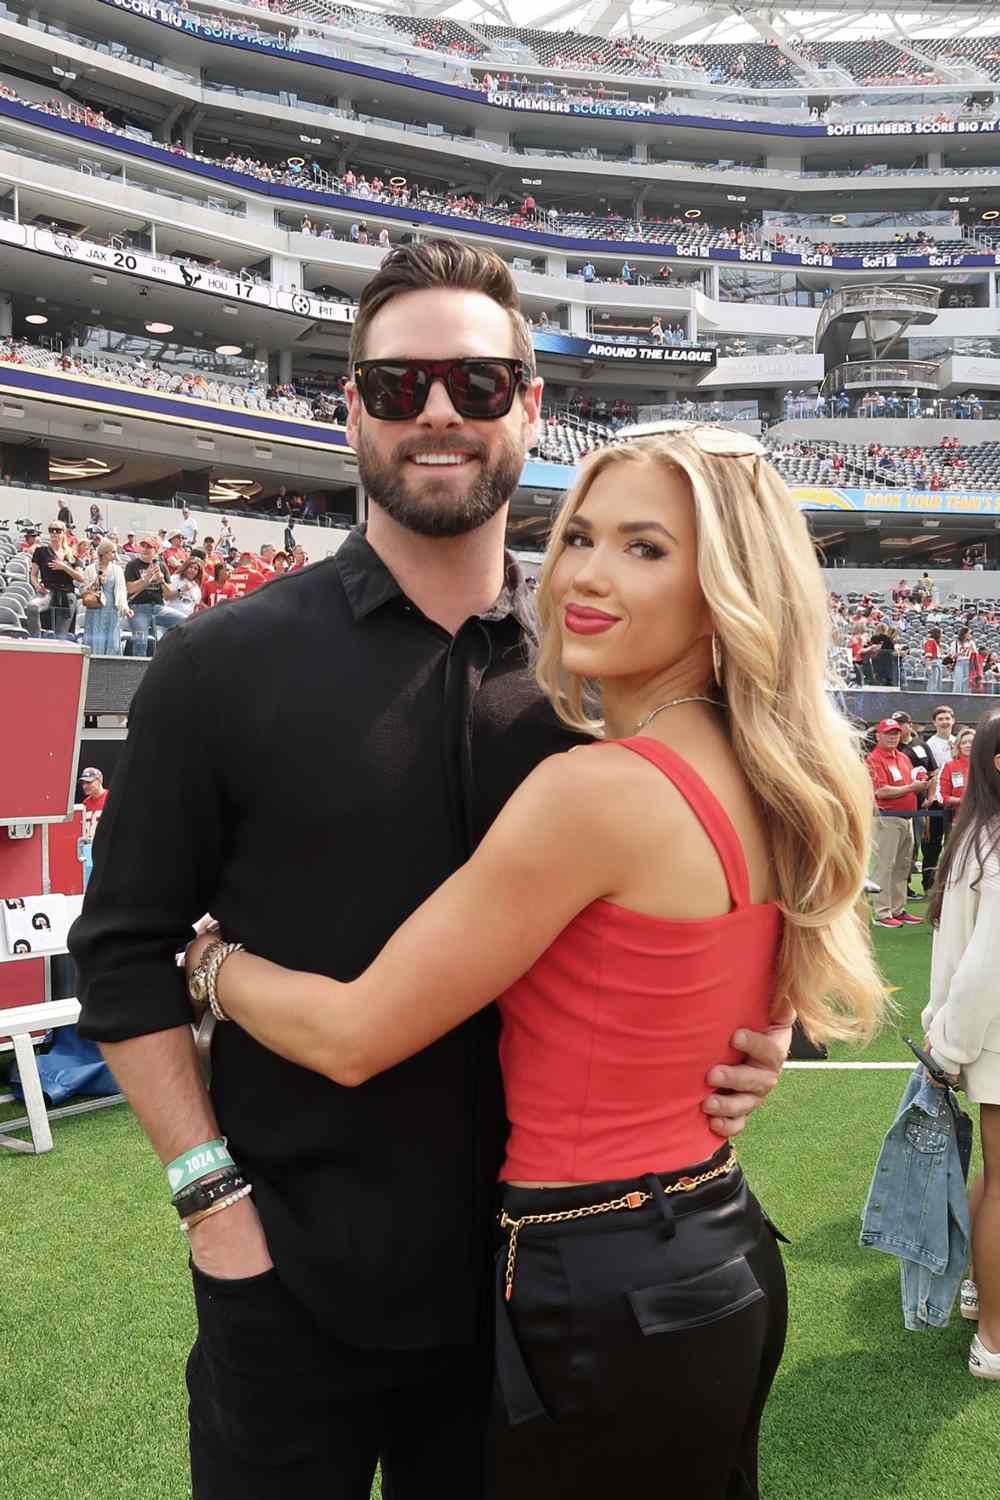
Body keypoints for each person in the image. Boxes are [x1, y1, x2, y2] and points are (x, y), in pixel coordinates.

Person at [70, 240, 792, 1500]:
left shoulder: (605, 684)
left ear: (530, 406)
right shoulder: (222, 664)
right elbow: (123, 949)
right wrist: (210, 1204)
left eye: (477, 382)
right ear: (348, 406)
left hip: (533, 1295)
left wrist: (750, 1044)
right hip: (287, 1278)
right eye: (398, 387)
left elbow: (695, 915)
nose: (440, 414)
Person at [180, 418, 887, 1496]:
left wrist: (209, 965)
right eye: (579, 538)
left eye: (646, 548)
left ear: (728, 584)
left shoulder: (593, 791)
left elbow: (355, 1034)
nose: (586, 576)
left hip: (596, 1275)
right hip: (717, 1240)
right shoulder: (775, 772)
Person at [924, 709, 1000, 1379]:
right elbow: (985, 966)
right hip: (993, 1037)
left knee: (997, 1179)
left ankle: (982, 1295)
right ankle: (996, 1341)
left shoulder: (978, 832)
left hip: (983, 1036)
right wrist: (949, 1045)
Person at [866, 718, 936, 927]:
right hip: (886, 818)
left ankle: (898, 908)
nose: (893, 736)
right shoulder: (874, 759)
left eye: (895, 733)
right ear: (878, 736)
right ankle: (882, 912)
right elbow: (881, 791)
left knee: (903, 867)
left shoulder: (904, 758)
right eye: (888, 733)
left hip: (907, 818)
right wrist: (911, 788)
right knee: (885, 866)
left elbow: (908, 784)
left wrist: (921, 785)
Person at [891, 711, 933, 897]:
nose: (899, 728)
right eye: (896, 725)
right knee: (897, 848)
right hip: (897, 804)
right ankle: (897, 888)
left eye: (902, 723)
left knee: (917, 844)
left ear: (910, 724)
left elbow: (934, 772)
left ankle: (910, 885)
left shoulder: (921, 745)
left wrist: (930, 797)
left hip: (920, 803)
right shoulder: (892, 746)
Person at [26, 521, 85, 639]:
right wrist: (37, 585)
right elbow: (33, 575)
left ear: (64, 533)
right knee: (32, 607)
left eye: (57, 530)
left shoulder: (72, 555)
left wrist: (64, 567)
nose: (54, 533)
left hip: (67, 594)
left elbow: (81, 577)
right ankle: (35, 641)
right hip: (48, 591)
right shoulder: (41, 551)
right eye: (51, 530)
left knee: (60, 636)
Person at [124, 537, 177, 656]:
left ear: (156, 550)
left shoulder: (162, 566)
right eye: (143, 546)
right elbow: (130, 589)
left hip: (158, 608)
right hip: (138, 608)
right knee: (141, 641)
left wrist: (162, 581)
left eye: (149, 547)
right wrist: (146, 578)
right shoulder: (132, 565)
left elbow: (169, 596)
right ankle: (138, 670)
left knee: (185, 622)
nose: (145, 549)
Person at [924, 705, 957, 891]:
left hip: (955, 800)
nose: (945, 722)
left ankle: (950, 882)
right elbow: (930, 774)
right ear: (934, 722)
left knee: (953, 841)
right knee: (933, 843)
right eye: (941, 719)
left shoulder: (958, 742)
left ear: (953, 720)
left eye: (947, 718)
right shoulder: (930, 745)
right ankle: (929, 884)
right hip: (936, 801)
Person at [81, 539, 128, 657]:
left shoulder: (117, 570)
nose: (114, 554)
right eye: (112, 552)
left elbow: (122, 592)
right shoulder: (90, 569)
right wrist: (97, 581)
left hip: (112, 609)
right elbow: (84, 590)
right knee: (95, 639)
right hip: (95, 609)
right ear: (105, 553)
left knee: (112, 642)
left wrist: (125, 608)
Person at [156, 560, 203, 634]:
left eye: (195, 569)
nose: (193, 570)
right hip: (169, 616)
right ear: (185, 567)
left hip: (185, 621)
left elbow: (195, 606)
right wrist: (181, 590)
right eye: (190, 567)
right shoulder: (175, 579)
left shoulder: (196, 588)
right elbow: (166, 597)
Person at [940, 727, 975, 809]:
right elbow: (943, 797)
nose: (968, 745)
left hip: (983, 816)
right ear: (959, 746)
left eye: (971, 742)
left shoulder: (986, 765)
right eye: (964, 743)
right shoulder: (949, 766)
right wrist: (962, 801)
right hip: (959, 816)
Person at [79, 767, 109, 843]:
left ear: (99, 781)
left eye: (89, 782)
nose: (85, 786)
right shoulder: (85, 803)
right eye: (83, 783)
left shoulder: (110, 797)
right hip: (89, 847)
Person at [953, 626, 977, 694]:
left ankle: (967, 696)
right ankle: (956, 696)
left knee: (967, 682)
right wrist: (959, 653)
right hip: (959, 662)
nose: (970, 635)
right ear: (964, 634)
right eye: (969, 633)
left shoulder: (972, 643)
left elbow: (975, 654)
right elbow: (952, 655)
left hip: (969, 663)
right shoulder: (955, 643)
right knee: (958, 681)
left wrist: (972, 649)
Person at [924, 626, 943, 695]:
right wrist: (929, 666)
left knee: (937, 684)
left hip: (937, 663)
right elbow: (928, 655)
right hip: (933, 664)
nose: (942, 636)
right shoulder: (930, 641)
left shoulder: (936, 642)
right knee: (932, 684)